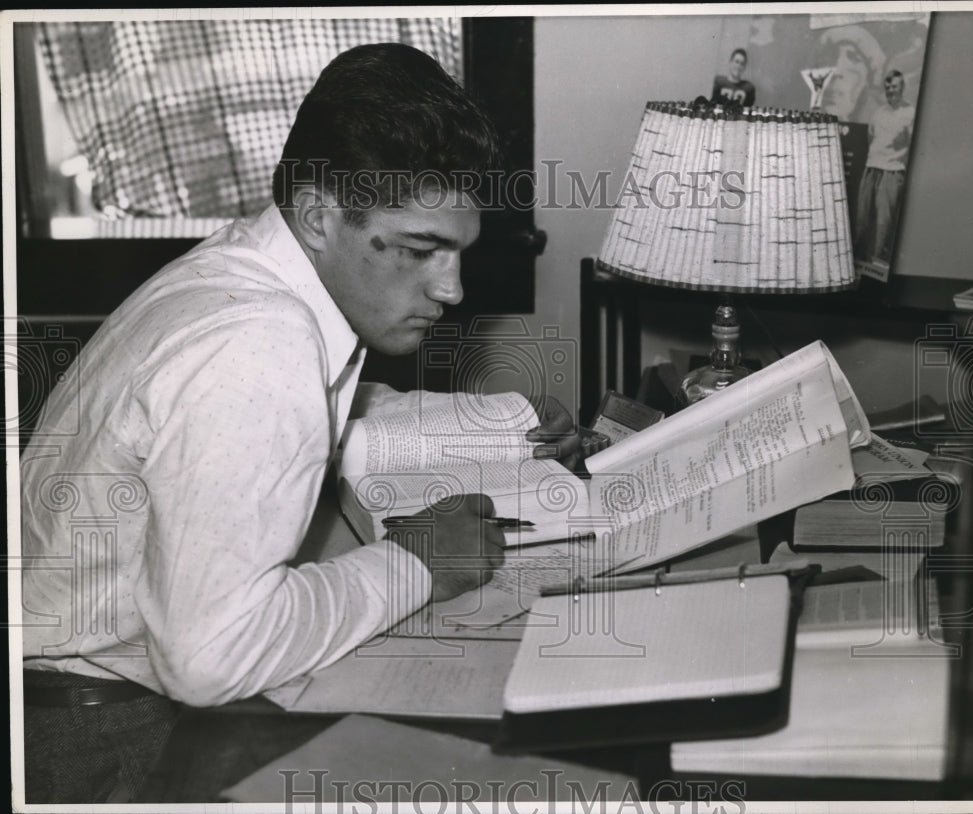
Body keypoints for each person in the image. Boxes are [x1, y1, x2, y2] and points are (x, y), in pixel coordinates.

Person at [19, 43, 579, 804]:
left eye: (458, 252)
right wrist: (416, 562)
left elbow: (323, 419)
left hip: (77, 704)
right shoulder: (256, 343)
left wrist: (512, 425)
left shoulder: (244, 273)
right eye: (420, 250)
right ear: (319, 214)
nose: (451, 288)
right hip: (107, 744)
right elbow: (211, 660)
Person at [853, 70, 914, 266]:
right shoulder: (878, 113)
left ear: (902, 88)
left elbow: (913, 143)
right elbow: (871, 139)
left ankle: (878, 267)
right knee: (862, 220)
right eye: (887, 87)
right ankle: (857, 265)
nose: (890, 90)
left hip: (892, 171)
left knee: (883, 224)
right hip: (871, 169)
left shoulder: (910, 113)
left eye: (894, 86)